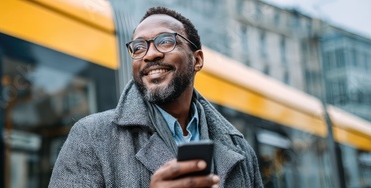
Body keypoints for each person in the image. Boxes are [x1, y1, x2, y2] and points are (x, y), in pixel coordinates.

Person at [49, 6, 263, 188]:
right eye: (139, 47)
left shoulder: (241, 150)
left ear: (197, 60)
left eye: (166, 41)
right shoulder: (90, 136)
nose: (150, 54)